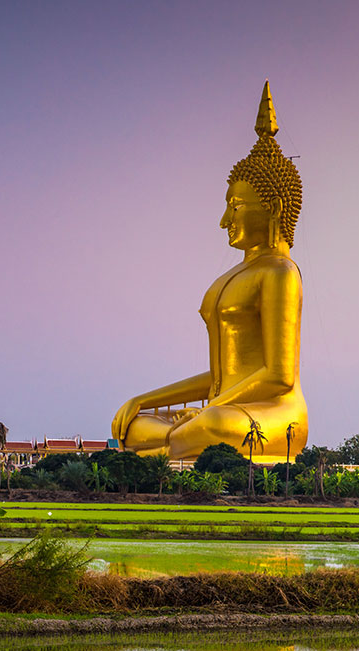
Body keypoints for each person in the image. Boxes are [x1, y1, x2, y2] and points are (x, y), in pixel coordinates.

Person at [112, 81, 308, 462]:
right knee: (134, 423)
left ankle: (170, 446)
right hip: (225, 406)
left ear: (275, 207)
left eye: (235, 207)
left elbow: (279, 377)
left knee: (210, 425)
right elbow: (222, 377)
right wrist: (143, 400)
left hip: (272, 414)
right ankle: (172, 444)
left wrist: (207, 409)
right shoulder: (232, 278)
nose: (224, 221)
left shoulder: (281, 273)